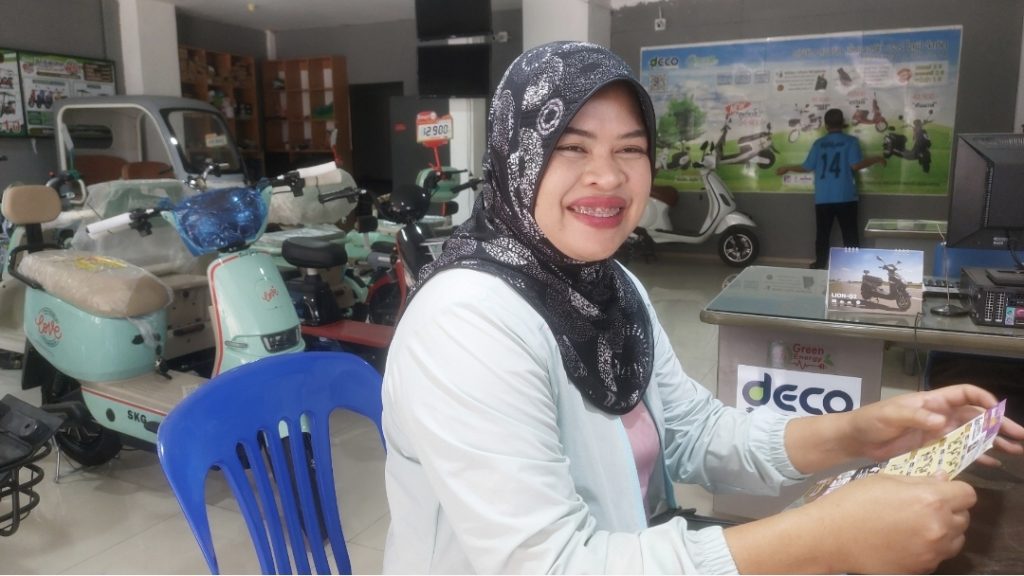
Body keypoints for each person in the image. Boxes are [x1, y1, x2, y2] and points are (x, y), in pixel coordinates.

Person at [381, 41, 1024, 574]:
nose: (609, 176)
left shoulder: (610, 286)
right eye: (571, 147)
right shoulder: (466, 321)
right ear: (515, 156)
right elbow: (549, 565)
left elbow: (692, 432)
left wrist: (862, 432)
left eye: (630, 148)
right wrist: (824, 538)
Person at [776, 108, 886, 269]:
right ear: (843, 123)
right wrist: (876, 158)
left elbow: (807, 167)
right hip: (845, 196)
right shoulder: (851, 142)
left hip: (823, 197)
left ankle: (820, 264)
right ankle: (854, 266)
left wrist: (787, 167)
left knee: (822, 234)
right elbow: (856, 165)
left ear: (826, 125)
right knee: (850, 234)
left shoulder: (819, 144)